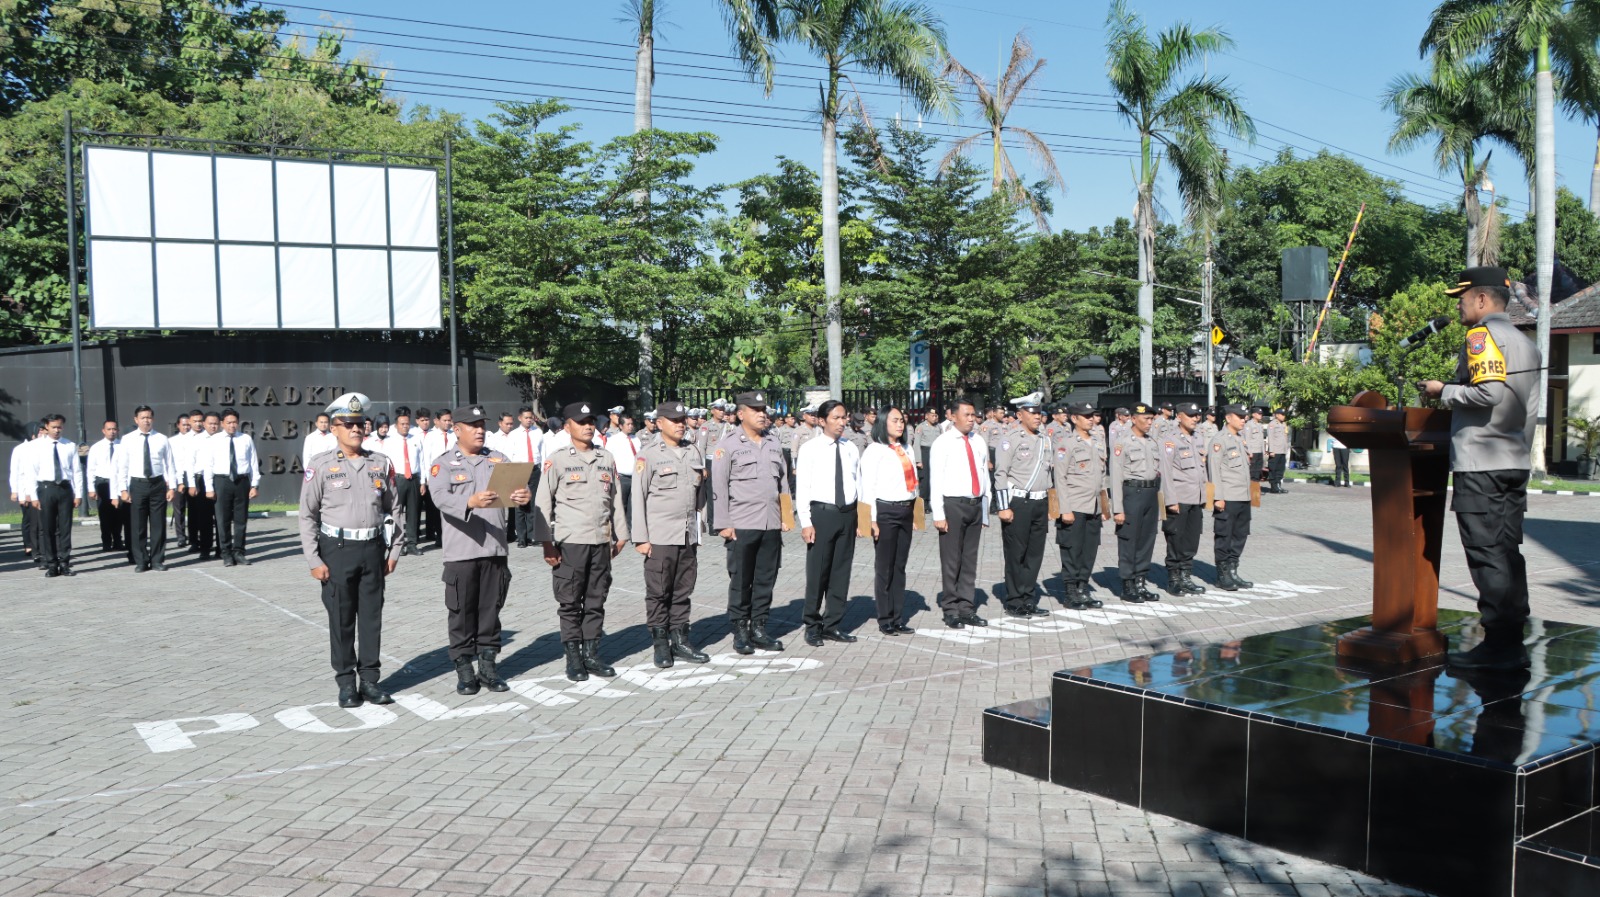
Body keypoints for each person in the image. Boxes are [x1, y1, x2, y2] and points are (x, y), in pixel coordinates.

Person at [1421, 265, 1541, 670]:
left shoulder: (1482, 335)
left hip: (1481, 465)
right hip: (1512, 461)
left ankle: (1499, 646)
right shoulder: (1525, 342)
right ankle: (1511, 638)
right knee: (1507, 553)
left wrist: (1443, 390)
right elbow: (1528, 407)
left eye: (1462, 298)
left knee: (1487, 554)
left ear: (1483, 300)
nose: (1458, 306)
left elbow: (1487, 392)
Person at [300, 392, 403, 708]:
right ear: (334, 428)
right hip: (337, 549)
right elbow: (307, 514)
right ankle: (346, 683)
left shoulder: (380, 463)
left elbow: (395, 509)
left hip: (373, 549)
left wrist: (395, 550)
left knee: (371, 619)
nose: (356, 429)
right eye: (348, 424)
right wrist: (313, 558)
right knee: (342, 619)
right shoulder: (321, 465)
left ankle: (370, 681)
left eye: (360, 424)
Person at [429, 404, 531, 695]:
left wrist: (523, 495)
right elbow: (438, 497)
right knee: (461, 613)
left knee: (490, 612)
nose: (479, 430)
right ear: (457, 430)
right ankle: (464, 670)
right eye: (472, 426)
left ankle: (488, 668)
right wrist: (469, 502)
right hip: (462, 551)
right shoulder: (444, 463)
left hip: (494, 548)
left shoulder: (498, 459)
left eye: (482, 425)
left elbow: (518, 493)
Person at [534, 401, 630, 681]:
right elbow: (543, 501)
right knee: (570, 602)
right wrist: (546, 542)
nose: (588, 426)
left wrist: (621, 534)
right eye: (581, 422)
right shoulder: (558, 459)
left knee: (596, 600)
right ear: (567, 427)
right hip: (571, 541)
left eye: (591, 421)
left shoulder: (606, 457)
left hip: (600, 540)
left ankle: (592, 654)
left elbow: (615, 499)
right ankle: (573, 657)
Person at [632, 401, 712, 668]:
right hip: (660, 536)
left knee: (682, 590)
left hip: (688, 534)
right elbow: (638, 498)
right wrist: (641, 538)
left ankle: (680, 641)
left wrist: (701, 527)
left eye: (682, 420)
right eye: (674, 420)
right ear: (660, 423)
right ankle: (660, 644)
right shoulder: (648, 454)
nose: (680, 424)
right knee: (658, 592)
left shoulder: (693, 451)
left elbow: (700, 493)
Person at [712, 390, 790, 655]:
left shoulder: (773, 443)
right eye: (755, 410)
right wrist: (723, 523)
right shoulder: (728, 445)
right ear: (741, 413)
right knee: (741, 579)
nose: (761, 414)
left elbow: (784, 484)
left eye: (763, 410)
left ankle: (759, 627)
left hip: (771, 523)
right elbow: (719, 488)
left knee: (766, 578)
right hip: (742, 523)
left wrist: (787, 517)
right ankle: (741, 629)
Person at [794, 399, 861, 646]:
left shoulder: (851, 448)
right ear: (822, 421)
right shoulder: (810, 449)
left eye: (844, 417)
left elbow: (858, 483)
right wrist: (806, 522)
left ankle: (833, 624)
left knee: (841, 571)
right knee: (818, 572)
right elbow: (802, 488)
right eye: (836, 418)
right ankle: (812, 625)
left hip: (847, 514)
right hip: (821, 514)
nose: (842, 422)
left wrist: (861, 519)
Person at [929, 399, 990, 629]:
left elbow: (984, 475)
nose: (971, 419)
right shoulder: (943, 443)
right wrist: (938, 513)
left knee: (969, 559)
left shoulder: (979, 441)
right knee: (952, 559)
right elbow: (936, 480)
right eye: (967, 414)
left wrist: (985, 508)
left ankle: (966, 607)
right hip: (953, 505)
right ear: (953, 416)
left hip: (975, 504)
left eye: (973, 414)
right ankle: (951, 608)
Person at [859, 405, 919, 635]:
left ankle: (898, 616)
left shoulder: (906, 448)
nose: (900, 424)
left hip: (905, 509)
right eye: (895, 420)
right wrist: (871, 520)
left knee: (900, 566)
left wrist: (915, 511)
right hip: (884, 511)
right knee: (885, 567)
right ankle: (885, 617)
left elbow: (913, 483)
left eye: (902, 420)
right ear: (883, 423)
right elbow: (868, 487)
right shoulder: (875, 450)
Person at [994, 391, 1053, 618]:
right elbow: (1000, 474)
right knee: (1016, 553)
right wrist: (1003, 506)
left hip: (1040, 502)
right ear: (1020, 414)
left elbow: (1048, 473)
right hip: (1018, 502)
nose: (1037, 416)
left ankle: (1029, 598)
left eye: (1039, 412)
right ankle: (1014, 600)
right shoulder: (1011, 440)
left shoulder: (1044, 439)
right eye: (1032, 412)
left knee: (1034, 554)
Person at [1052, 401, 1106, 609]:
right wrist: (1064, 509)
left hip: (1093, 506)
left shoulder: (1097, 442)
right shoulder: (1066, 444)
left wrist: (1104, 507)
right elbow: (1060, 478)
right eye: (1086, 416)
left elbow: (1101, 478)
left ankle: (1083, 587)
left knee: (1089, 550)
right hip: (1074, 505)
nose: (1091, 419)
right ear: (1074, 419)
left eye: (1092, 415)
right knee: (1072, 550)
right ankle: (1071, 591)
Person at [115, 405, 178, 572]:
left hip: (157, 484)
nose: (146, 420)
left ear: (153, 419)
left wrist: (172, 487)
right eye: (143, 417)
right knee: (138, 526)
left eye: (149, 417)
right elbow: (123, 466)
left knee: (158, 525)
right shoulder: (127, 439)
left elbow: (170, 464)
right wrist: (122, 489)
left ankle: (157, 559)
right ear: (136, 420)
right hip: (137, 484)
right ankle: (141, 561)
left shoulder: (162, 439)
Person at [1110, 403, 1161, 603]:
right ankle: (1128, 584)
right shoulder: (1122, 443)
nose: (1149, 423)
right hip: (1132, 493)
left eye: (1151, 419)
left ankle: (1140, 581)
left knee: (1147, 540)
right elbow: (1115, 476)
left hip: (1150, 493)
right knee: (1129, 540)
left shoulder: (1152, 442)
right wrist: (1118, 508)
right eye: (1146, 419)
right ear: (1133, 418)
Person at [20, 414, 82, 577]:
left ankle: (64, 562)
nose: (57, 430)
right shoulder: (36, 446)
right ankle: (52, 563)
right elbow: (31, 472)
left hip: (64, 488)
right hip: (46, 488)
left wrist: (78, 493)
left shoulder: (69, 445)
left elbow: (76, 471)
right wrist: (33, 495)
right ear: (46, 427)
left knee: (64, 528)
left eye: (59, 427)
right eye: (54, 427)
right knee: (47, 528)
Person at [1158, 402, 1208, 597]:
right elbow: (1166, 472)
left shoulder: (1198, 438)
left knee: (1191, 540)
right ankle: (1174, 580)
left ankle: (1186, 576)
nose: (1196, 418)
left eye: (1197, 415)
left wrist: (1206, 496)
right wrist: (1170, 500)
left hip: (1196, 498)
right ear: (1179, 416)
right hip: (1178, 498)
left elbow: (1202, 471)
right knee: (1175, 540)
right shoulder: (1169, 441)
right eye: (1191, 415)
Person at [1208, 404, 1255, 591]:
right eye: (1240, 416)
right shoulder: (1219, 440)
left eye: (1245, 416)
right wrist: (1217, 497)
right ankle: (1222, 575)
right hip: (1227, 497)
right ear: (1228, 418)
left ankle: (1233, 571)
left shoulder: (1240, 439)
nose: (1244, 419)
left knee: (1240, 535)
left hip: (1243, 496)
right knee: (1224, 537)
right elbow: (1214, 470)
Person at [204, 409, 260, 566]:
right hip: (222, 481)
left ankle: (239, 552)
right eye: (228, 422)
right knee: (222, 520)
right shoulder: (214, 440)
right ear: (222, 423)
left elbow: (253, 463)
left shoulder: (246, 439)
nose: (232, 425)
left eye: (234, 422)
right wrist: (209, 487)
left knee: (241, 519)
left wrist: (254, 484)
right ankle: (226, 553)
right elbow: (208, 465)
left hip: (241, 482)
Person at [382, 409, 426, 556]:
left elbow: (422, 461)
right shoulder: (389, 441)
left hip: (414, 479)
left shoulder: (416, 439)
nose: (405, 426)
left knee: (413, 513)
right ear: (396, 425)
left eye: (407, 423)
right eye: (402, 424)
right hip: (397, 480)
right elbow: (386, 462)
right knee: (397, 513)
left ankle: (412, 543)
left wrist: (423, 482)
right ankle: (398, 544)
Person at [503, 406, 543, 548]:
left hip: (534, 469)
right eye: (526, 418)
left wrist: (542, 469)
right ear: (520, 418)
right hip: (519, 469)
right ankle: (521, 537)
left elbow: (541, 452)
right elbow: (508, 454)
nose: (529, 420)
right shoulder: (513, 435)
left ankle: (533, 536)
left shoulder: (538, 432)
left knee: (533, 504)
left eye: (531, 417)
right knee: (520, 504)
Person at [86, 419, 126, 555]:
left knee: (119, 513)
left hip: (119, 483)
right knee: (105, 514)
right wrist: (91, 488)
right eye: (109, 429)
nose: (112, 432)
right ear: (103, 431)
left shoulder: (122, 446)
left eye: (114, 429)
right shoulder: (97, 447)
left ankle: (118, 541)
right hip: (103, 483)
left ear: (118, 430)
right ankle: (106, 542)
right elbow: (90, 469)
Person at [9, 421, 46, 567]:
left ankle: (42, 549)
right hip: (25, 489)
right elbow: (16, 472)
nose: (43, 434)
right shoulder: (20, 449)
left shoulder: (44, 447)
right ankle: (30, 546)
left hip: (40, 488)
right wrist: (16, 492)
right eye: (40, 431)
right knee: (29, 520)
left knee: (40, 522)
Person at [184, 411, 219, 560]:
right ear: (204, 424)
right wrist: (191, 484)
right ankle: (205, 548)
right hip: (201, 480)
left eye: (216, 423)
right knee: (204, 517)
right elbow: (189, 463)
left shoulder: (223, 439)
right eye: (210, 423)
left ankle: (221, 548)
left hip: (219, 479)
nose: (213, 426)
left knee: (220, 517)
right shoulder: (196, 440)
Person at [609, 415, 641, 532]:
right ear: (621, 426)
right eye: (628, 424)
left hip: (635, 477)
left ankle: (631, 530)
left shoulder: (636, 439)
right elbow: (609, 458)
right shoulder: (614, 440)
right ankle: (619, 530)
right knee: (621, 504)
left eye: (632, 424)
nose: (630, 426)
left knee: (633, 505)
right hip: (621, 477)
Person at [168, 413, 192, 549]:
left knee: (195, 509)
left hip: (193, 477)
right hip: (178, 477)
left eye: (188, 424)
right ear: (178, 425)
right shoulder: (171, 441)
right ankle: (181, 536)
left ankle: (195, 535)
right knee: (179, 508)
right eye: (184, 425)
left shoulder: (196, 439)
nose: (186, 427)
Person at [1266, 408, 1291, 493]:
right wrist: (1271, 450)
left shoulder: (1283, 424)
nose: (1284, 416)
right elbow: (1271, 438)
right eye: (1282, 414)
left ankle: (1278, 485)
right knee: (1273, 469)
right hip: (1275, 450)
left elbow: (1285, 437)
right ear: (1277, 415)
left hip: (1282, 450)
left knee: (1280, 469)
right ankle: (1273, 486)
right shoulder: (1272, 424)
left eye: (1284, 415)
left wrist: (1286, 449)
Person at [1244, 407, 1267, 483]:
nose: (1261, 415)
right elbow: (1247, 439)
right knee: (1252, 471)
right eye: (1259, 414)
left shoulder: (1260, 425)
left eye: (1261, 414)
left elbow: (1261, 440)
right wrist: (1249, 452)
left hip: (1259, 451)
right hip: (1253, 451)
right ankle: (1250, 488)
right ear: (1253, 414)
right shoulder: (1249, 425)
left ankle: (1255, 487)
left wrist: (1263, 452)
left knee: (1258, 471)